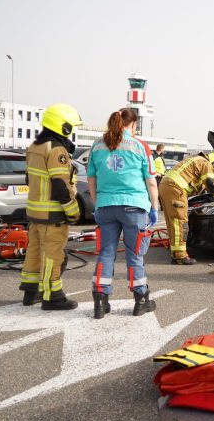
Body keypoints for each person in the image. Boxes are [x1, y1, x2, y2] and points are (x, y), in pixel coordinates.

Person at [87, 108, 159, 319]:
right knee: (135, 255)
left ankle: (100, 303)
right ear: (133, 124)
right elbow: (151, 181)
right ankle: (141, 300)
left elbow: (91, 178)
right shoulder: (140, 146)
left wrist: (97, 202)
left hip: (106, 207)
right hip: (134, 208)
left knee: (105, 253)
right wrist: (154, 208)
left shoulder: (97, 145)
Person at [19, 104, 83, 310]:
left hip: (34, 212)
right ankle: (52, 296)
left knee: (34, 252)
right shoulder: (56, 150)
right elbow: (59, 185)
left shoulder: (34, 147)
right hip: (52, 213)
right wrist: (73, 212)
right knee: (53, 256)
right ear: (63, 126)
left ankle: (31, 292)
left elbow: (29, 179)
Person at [159, 152, 214, 265]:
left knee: (173, 222)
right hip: (175, 188)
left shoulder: (195, 160)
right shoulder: (205, 163)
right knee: (180, 223)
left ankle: (176, 252)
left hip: (166, 186)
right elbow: (211, 183)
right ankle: (180, 256)